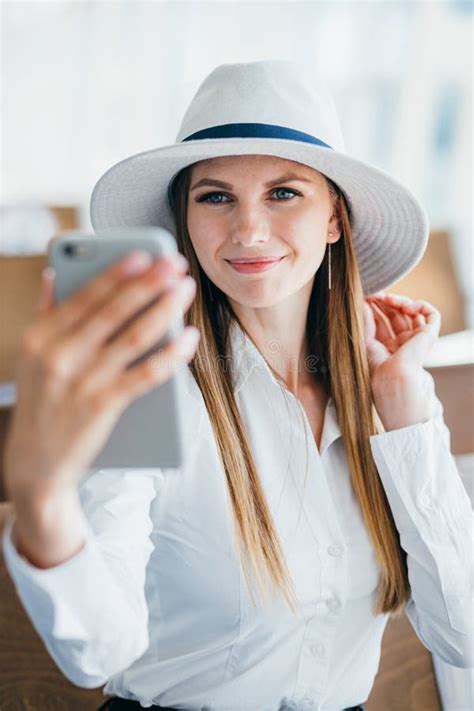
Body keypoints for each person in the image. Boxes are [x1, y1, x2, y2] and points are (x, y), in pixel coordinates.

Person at [2, 60, 472, 711]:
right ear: (186, 222)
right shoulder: (150, 389)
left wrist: (409, 412)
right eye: (216, 196)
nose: (248, 229)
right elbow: (98, 653)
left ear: (334, 217)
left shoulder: (381, 399)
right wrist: (42, 493)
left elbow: (465, 635)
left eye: (284, 193)